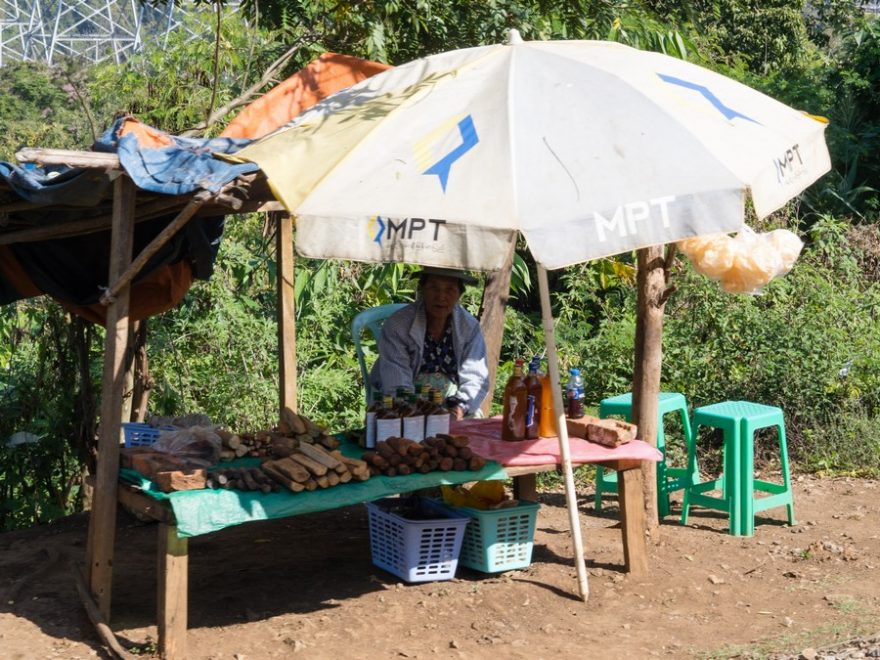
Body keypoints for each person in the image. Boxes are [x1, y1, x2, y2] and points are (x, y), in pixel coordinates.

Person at [370, 267, 489, 419]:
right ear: (422, 290)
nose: (441, 296)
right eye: (434, 288)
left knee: (471, 431)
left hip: (452, 404)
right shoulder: (398, 325)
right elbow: (396, 383)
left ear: (459, 294)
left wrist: (459, 407)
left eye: (450, 289)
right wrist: (419, 413)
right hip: (401, 401)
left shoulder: (469, 328)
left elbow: (476, 378)